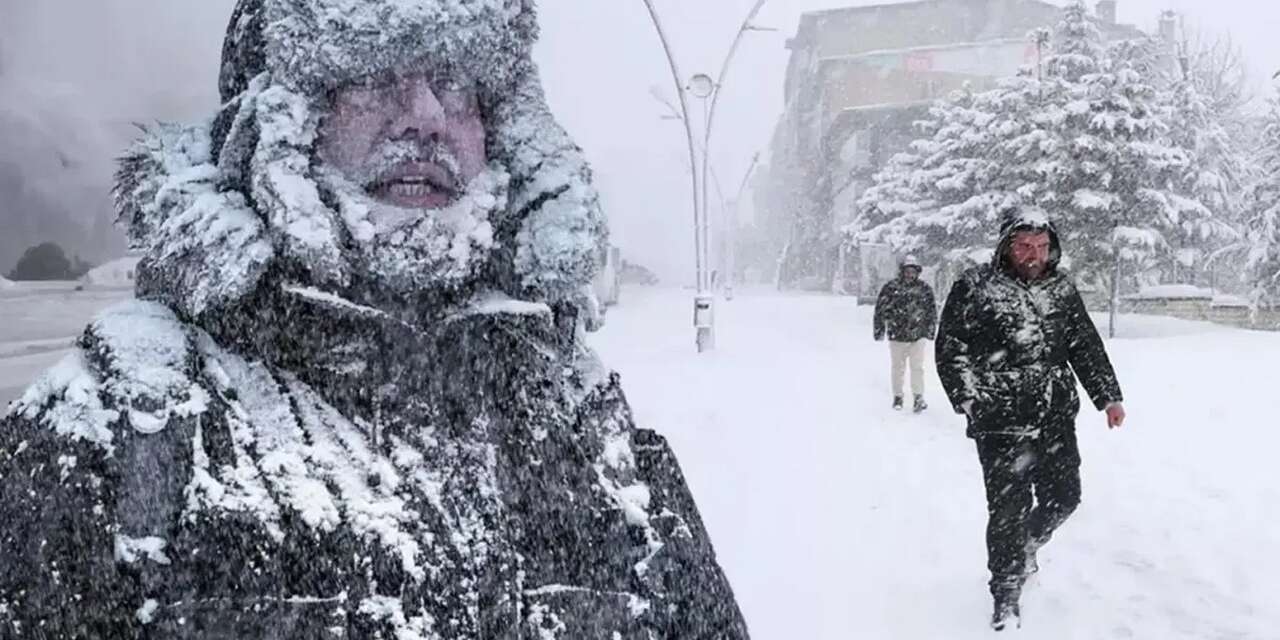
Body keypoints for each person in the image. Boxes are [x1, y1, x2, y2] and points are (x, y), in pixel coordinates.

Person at [0, 1, 750, 637]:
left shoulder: (586, 426)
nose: (426, 117)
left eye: (456, 80)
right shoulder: (113, 435)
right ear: (274, 119)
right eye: (372, 76)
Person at [935, 208, 1125, 631]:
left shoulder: (1061, 288)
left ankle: (1026, 546)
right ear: (1006, 246)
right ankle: (1005, 592)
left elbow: (1085, 345)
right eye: (1024, 246)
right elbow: (951, 348)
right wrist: (969, 400)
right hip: (1000, 420)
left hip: (1055, 415)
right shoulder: (976, 286)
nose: (1033, 254)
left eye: (1041, 247)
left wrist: (1108, 396)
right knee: (1008, 509)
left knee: (1065, 496)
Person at [873, 255, 937, 413]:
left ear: (917, 272)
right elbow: (880, 310)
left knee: (917, 368)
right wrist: (879, 330)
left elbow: (931, 311)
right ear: (902, 271)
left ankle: (918, 397)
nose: (910, 274)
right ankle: (898, 396)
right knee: (897, 368)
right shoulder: (891, 287)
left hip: (918, 335)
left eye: (913, 271)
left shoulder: (924, 289)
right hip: (897, 335)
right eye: (907, 271)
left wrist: (930, 330)